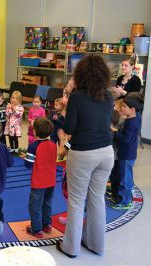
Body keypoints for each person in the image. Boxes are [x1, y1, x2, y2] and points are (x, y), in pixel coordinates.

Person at [56, 55, 114, 258]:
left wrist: (61, 116)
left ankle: (70, 247)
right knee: (97, 199)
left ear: (80, 74)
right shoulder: (108, 96)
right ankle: (96, 244)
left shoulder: (77, 97)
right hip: (106, 152)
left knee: (77, 200)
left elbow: (70, 128)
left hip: (83, 153)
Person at [24, 118, 57, 238]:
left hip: (38, 182)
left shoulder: (33, 147)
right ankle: (47, 224)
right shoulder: (53, 144)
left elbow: (28, 164)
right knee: (47, 203)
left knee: (34, 206)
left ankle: (36, 229)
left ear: (35, 132)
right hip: (51, 181)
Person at [110, 96, 142, 209]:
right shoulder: (136, 117)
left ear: (132, 109)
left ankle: (125, 202)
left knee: (125, 179)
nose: (122, 108)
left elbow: (125, 139)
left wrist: (114, 131)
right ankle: (123, 197)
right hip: (128, 154)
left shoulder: (131, 123)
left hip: (126, 154)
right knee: (125, 177)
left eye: (124, 106)